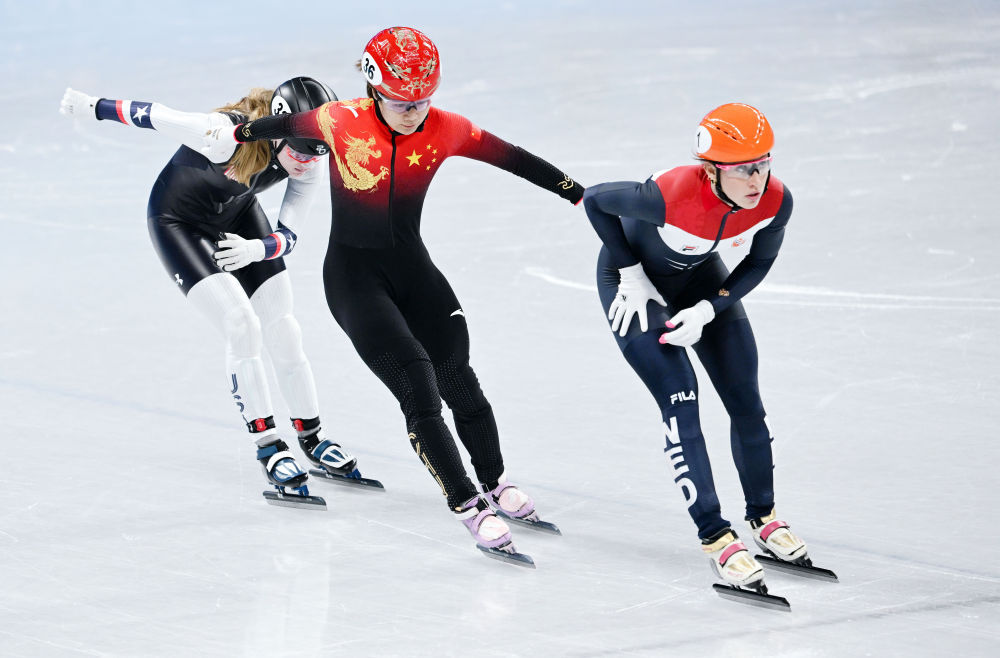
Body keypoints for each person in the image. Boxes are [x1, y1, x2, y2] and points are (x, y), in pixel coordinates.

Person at [213, 27, 583, 558]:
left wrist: (580, 197)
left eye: (423, 101)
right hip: (353, 280)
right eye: (402, 102)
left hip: (414, 270)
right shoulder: (338, 121)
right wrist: (232, 135)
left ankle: (495, 483)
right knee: (417, 382)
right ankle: (466, 505)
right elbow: (272, 125)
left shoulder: (447, 129)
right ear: (372, 88)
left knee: (459, 376)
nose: (414, 112)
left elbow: (514, 158)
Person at [58, 77, 368, 508]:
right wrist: (92, 106)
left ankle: (311, 436)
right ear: (277, 130)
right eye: (297, 151)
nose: (305, 163)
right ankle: (269, 446)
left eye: (317, 152)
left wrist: (257, 248)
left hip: (238, 217)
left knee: (284, 324)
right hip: (178, 223)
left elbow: (291, 232)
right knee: (241, 325)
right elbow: (156, 115)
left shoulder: (311, 153)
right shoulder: (223, 135)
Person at [582, 103, 812, 593]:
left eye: (765, 163)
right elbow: (596, 199)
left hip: (699, 284)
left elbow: (757, 263)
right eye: (744, 169)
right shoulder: (670, 194)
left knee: (746, 398)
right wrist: (629, 272)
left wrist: (712, 306)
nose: (758, 179)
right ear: (711, 170)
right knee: (681, 397)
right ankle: (716, 536)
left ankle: (764, 517)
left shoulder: (775, 200)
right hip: (633, 285)